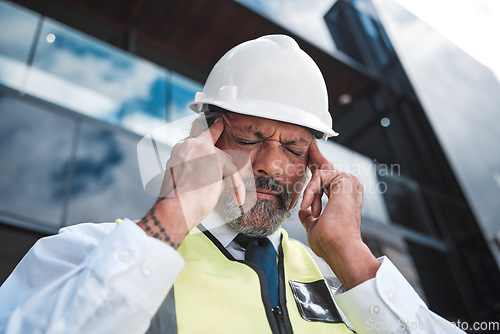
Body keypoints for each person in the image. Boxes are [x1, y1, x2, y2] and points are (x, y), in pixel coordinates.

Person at [0, 35, 465, 334]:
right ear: (202, 140)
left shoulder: (345, 283)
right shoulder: (92, 251)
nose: (269, 164)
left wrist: (353, 256)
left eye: (295, 148)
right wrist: (175, 212)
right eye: (249, 139)